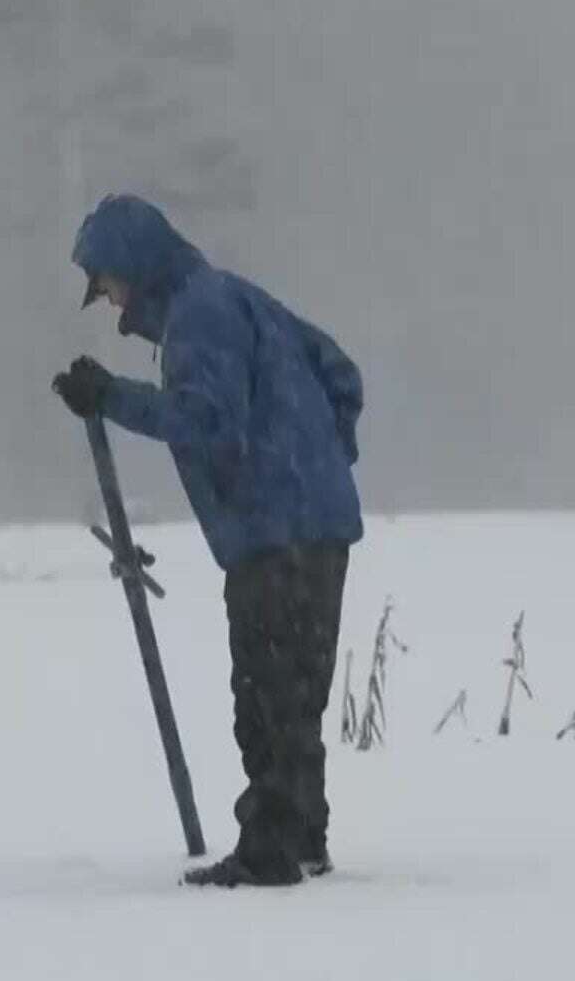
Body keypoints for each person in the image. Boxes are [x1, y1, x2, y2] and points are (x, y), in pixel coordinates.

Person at [53, 194, 364, 888]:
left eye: (104, 282)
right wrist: (318, 461)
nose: (104, 300)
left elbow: (206, 421)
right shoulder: (230, 298)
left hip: (276, 532)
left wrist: (110, 397)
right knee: (293, 693)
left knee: (266, 693)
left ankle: (271, 851)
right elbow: (341, 373)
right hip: (311, 524)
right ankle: (300, 839)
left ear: (132, 265)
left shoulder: (200, 317)